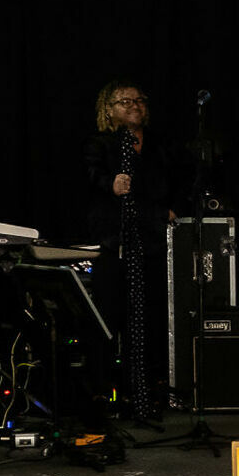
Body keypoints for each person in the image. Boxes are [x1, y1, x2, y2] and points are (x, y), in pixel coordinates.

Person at [80, 81, 179, 423]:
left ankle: (147, 393)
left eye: (139, 100)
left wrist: (166, 209)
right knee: (108, 319)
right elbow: (89, 177)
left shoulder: (157, 146)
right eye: (125, 101)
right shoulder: (101, 144)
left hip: (150, 245)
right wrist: (111, 184)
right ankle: (102, 395)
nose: (134, 106)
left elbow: (168, 184)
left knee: (150, 320)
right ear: (108, 109)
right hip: (114, 243)